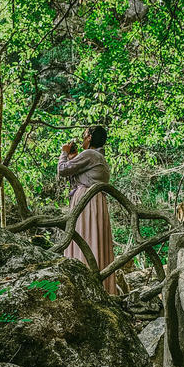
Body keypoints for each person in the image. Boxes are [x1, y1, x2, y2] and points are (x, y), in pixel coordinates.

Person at [57, 125, 117, 294]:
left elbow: (62, 170)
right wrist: (74, 158)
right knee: (94, 239)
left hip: (86, 203)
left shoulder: (90, 154)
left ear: (90, 137)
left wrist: (64, 153)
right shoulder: (100, 157)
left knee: (84, 238)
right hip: (97, 203)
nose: (82, 138)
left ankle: (82, 288)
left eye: (84, 135)